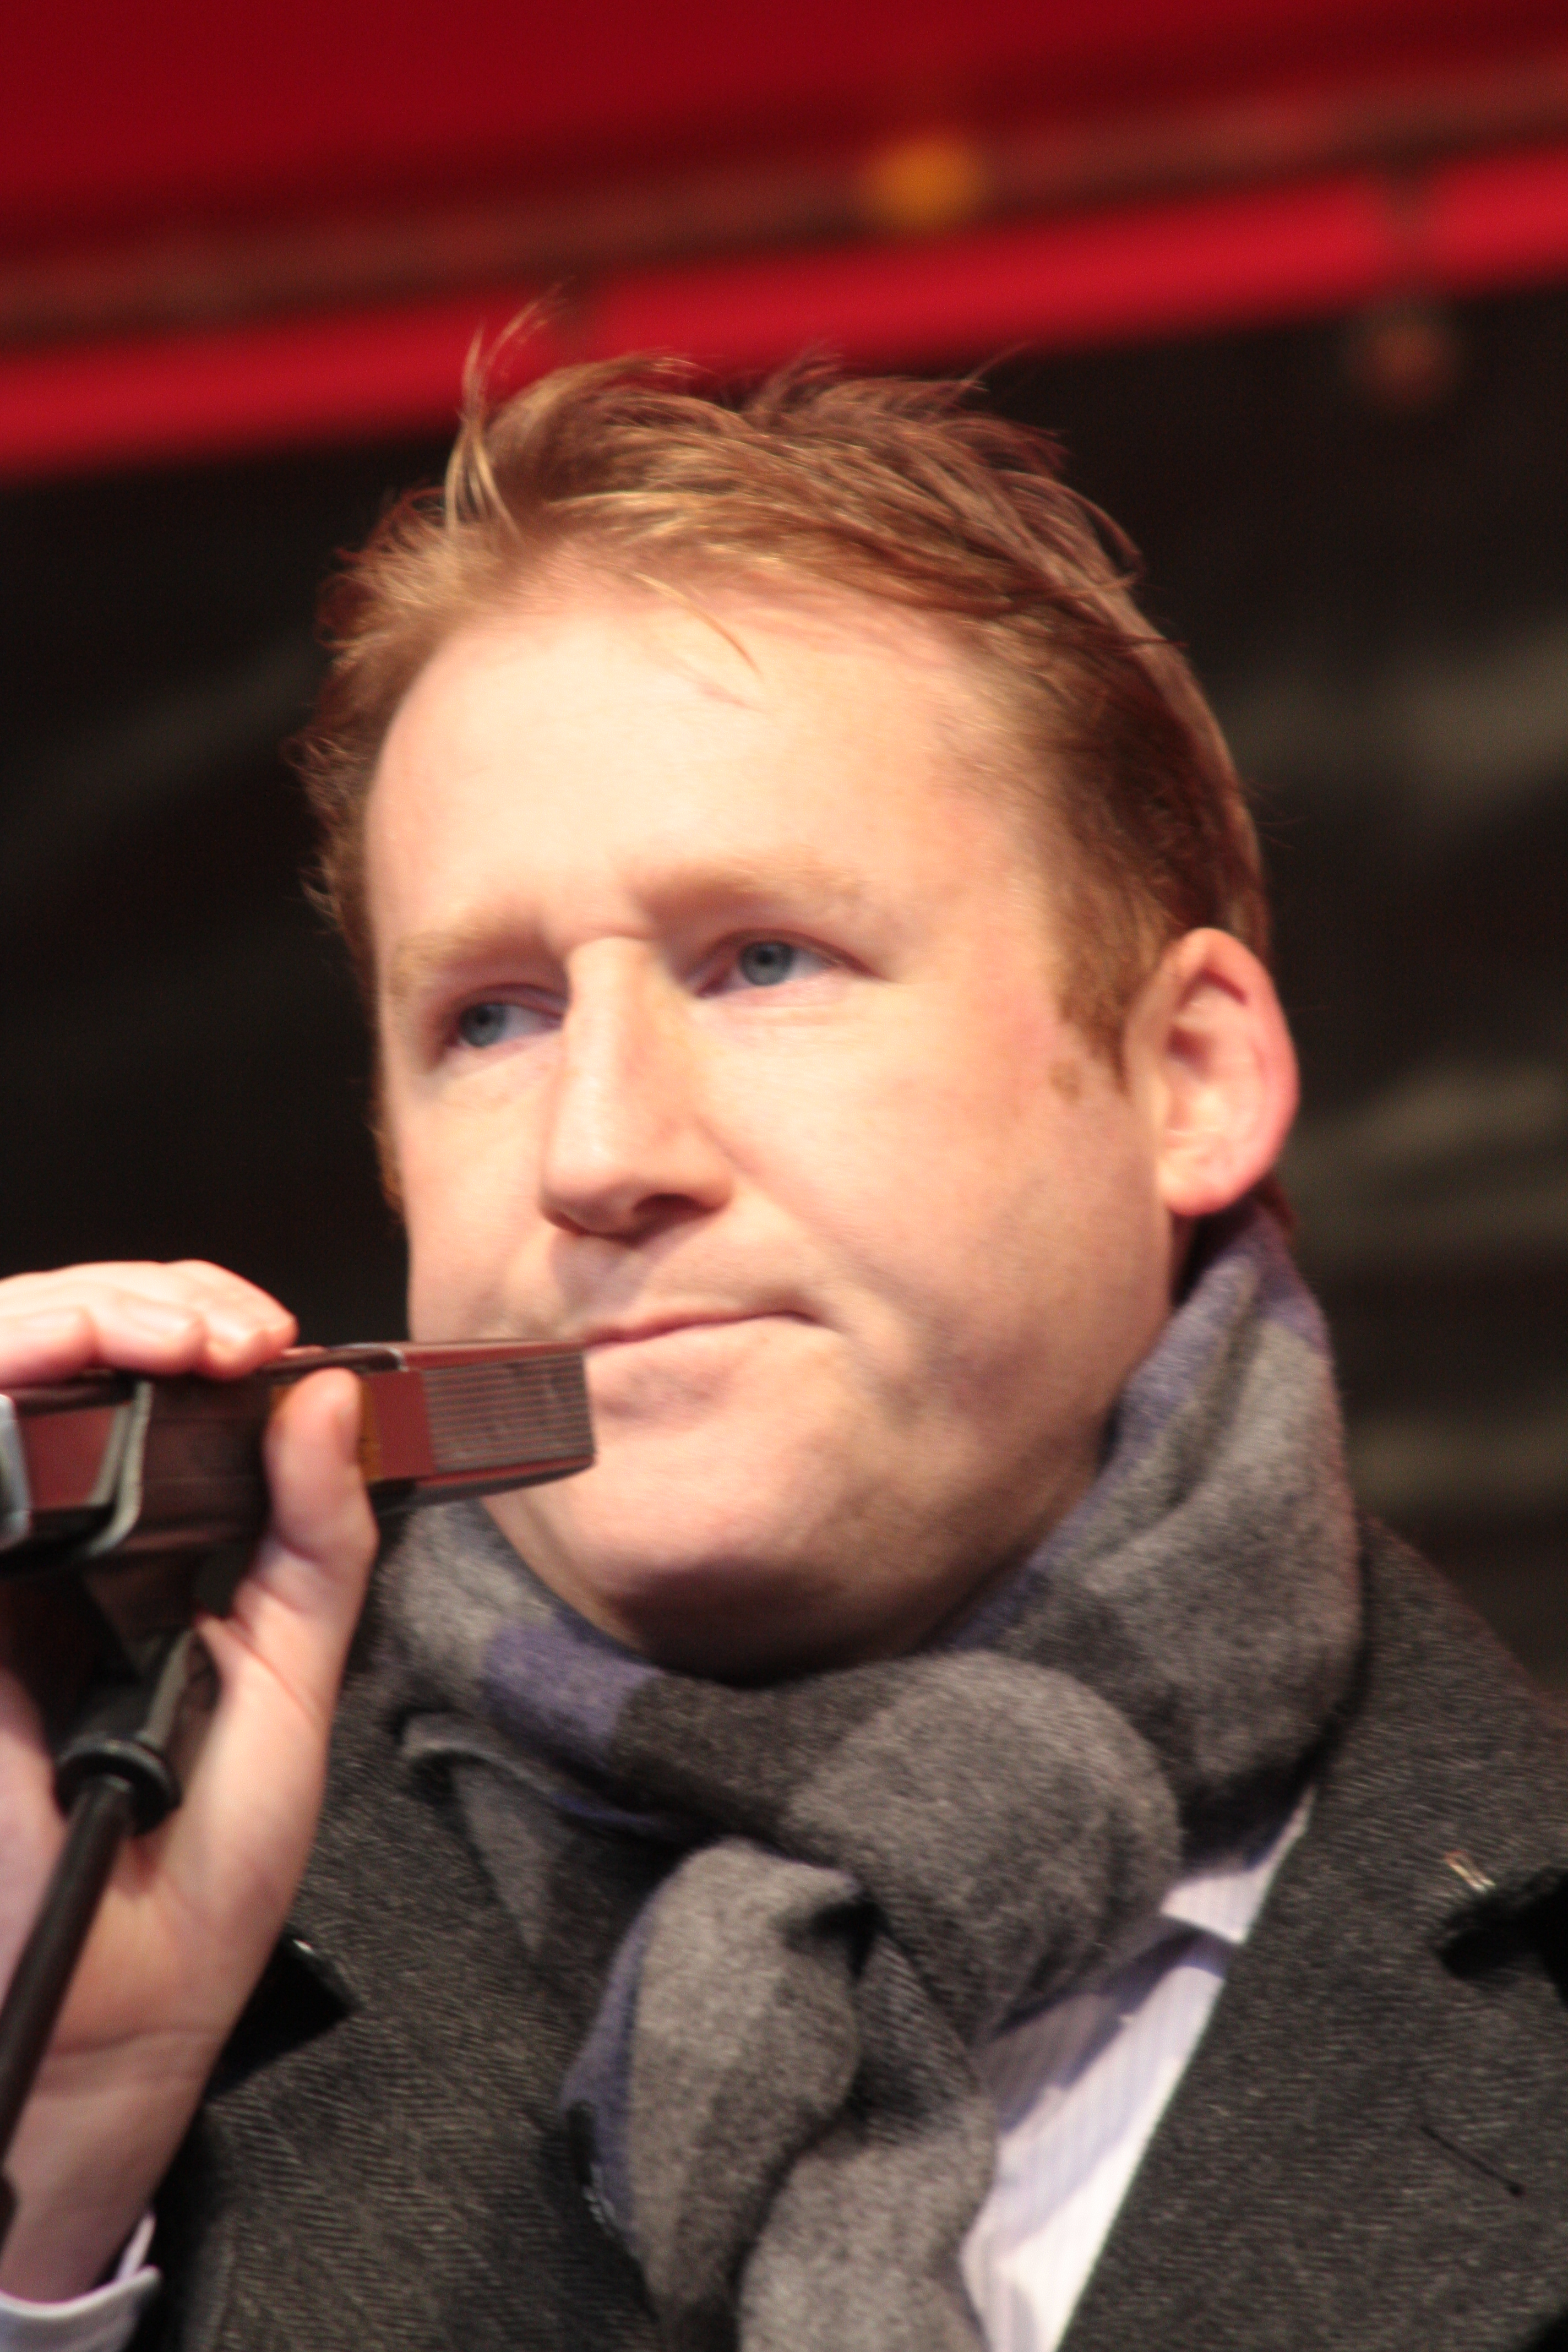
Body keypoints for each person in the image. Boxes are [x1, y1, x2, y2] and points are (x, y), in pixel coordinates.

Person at [1, 356, 1566, 2352]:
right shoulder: (121, 1956)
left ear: (1186, 1078)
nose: (597, 1153)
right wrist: (54, 2173)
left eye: (763, 961)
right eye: (490, 1018)